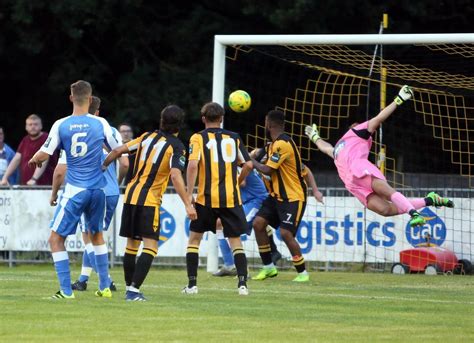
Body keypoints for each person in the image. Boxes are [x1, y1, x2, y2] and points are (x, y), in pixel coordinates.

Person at [304, 85, 454, 227]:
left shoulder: (360, 132)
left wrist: (398, 99)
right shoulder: (340, 146)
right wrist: (315, 137)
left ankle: (414, 214)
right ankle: (430, 200)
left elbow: (379, 118)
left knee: (389, 194)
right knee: (385, 210)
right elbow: (326, 148)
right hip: (354, 186)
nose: (359, 125)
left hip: (361, 171)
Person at [29, 80, 121, 299]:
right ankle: (105, 286)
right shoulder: (101, 123)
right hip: (99, 190)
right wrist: (106, 162)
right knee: (97, 235)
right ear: (90, 99)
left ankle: (66, 291)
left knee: (56, 239)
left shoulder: (62, 124)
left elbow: (45, 153)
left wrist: (34, 159)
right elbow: (119, 150)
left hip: (76, 189)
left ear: (71, 98)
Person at [103, 104, 197, 301]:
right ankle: (134, 291)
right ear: (180, 124)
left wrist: (103, 167)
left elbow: (118, 151)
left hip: (129, 196)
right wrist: (188, 203)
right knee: (151, 246)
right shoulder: (177, 146)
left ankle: (130, 287)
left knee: (131, 245)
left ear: (161, 120)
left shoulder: (146, 137)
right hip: (149, 200)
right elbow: (175, 175)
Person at [49, 96, 128, 291]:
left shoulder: (69, 129)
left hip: (85, 188)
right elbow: (125, 162)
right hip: (109, 192)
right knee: (97, 236)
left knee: (88, 238)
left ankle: (105, 280)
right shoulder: (111, 130)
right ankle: (84, 279)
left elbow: (60, 170)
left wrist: (54, 193)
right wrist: (116, 183)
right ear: (98, 112)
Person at [183, 102, 252, 296]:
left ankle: (192, 285)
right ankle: (242, 285)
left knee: (194, 240)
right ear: (221, 119)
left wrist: (189, 194)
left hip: (206, 199)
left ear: (203, 118)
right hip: (231, 198)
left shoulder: (197, 138)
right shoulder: (234, 137)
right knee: (236, 241)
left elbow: (193, 165)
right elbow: (247, 165)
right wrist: (238, 181)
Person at [251, 110, 324, 282]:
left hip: (293, 197)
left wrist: (314, 190)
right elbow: (303, 169)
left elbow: (267, 169)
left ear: (268, 124)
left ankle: (302, 273)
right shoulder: (271, 146)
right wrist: (248, 156)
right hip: (275, 197)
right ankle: (268, 268)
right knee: (258, 224)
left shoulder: (283, 144)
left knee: (285, 233)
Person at [213, 161, 282, 277]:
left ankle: (243, 269)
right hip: (247, 201)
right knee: (219, 224)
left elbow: (242, 182)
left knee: (232, 227)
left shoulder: (232, 160)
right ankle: (229, 265)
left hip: (257, 201)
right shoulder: (232, 159)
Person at [1, 114, 58, 186]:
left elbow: (43, 158)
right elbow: (16, 159)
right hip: (27, 185)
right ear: (26, 127)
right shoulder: (25, 140)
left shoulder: (47, 138)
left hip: (44, 186)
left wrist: (34, 179)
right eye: (30, 124)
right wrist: (5, 177)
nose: (33, 127)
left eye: (35, 124)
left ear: (41, 126)